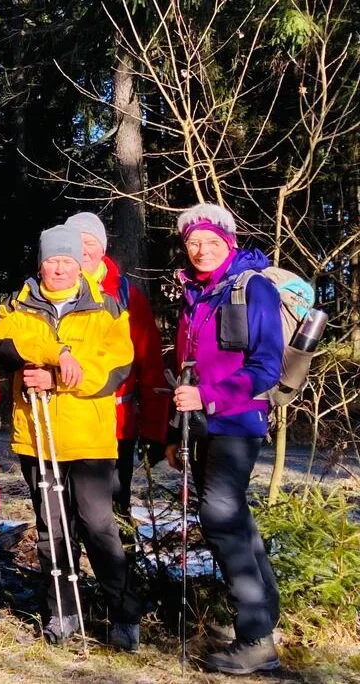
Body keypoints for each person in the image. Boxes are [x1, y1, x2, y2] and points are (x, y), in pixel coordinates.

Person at [0, 225, 143, 650]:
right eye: (52, 260)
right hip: (37, 436)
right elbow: (2, 344)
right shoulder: (17, 305)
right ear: (41, 264)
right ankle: (62, 610)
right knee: (51, 527)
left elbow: (117, 368)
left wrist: (59, 378)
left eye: (67, 260)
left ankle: (123, 614)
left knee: (98, 525)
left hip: (89, 438)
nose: (59, 268)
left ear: (80, 264)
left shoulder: (107, 307)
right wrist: (56, 353)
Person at [167, 203, 283, 675]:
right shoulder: (196, 293)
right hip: (205, 423)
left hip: (238, 421)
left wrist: (209, 397)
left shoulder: (251, 288)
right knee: (233, 516)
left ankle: (255, 637)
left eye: (211, 241)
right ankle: (264, 620)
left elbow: (266, 368)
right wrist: (177, 433)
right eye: (194, 241)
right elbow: (185, 371)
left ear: (229, 242)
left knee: (218, 513)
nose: (201, 249)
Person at [65, 212, 168, 515]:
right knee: (65, 509)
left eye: (90, 242)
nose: (83, 250)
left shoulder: (126, 296)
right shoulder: (50, 292)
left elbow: (150, 364)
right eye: (74, 242)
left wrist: (154, 430)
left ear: (103, 248)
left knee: (112, 511)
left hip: (115, 425)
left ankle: (123, 562)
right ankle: (68, 563)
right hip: (64, 422)